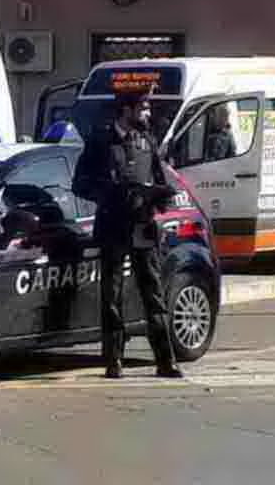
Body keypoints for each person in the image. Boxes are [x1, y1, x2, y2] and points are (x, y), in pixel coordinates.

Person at [72, 88, 183, 380]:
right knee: (112, 293)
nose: (147, 114)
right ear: (126, 110)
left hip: (143, 226)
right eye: (142, 108)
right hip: (113, 226)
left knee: (153, 292)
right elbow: (80, 184)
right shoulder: (100, 142)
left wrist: (161, 198)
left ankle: (165, 360)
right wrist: (111, 193)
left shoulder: (147, 140)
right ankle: (114, 360)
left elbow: (161, 180)